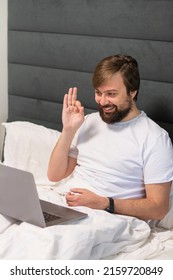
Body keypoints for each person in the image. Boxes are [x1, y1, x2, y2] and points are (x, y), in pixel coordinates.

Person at [47, 54, 173, 221]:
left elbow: (158, 208)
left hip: (109, 216)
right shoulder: (88, 121)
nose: (102, 101)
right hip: (64, 203)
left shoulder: (154, 138)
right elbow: (55, 175)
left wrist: (104, 203)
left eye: (111, 94)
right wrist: (68, 131)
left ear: (132, 92)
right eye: (98, 93)